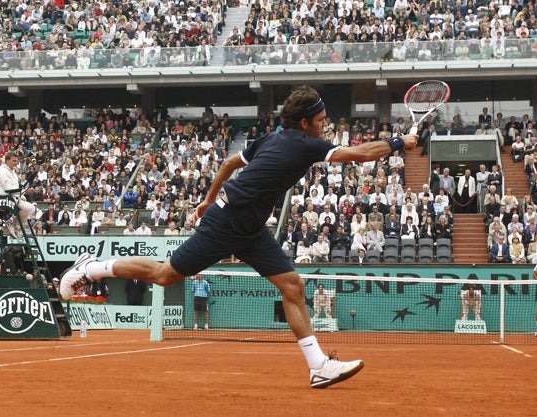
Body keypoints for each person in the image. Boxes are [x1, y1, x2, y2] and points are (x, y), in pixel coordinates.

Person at [60, 86, 417, 388]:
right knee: (164, 275)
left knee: (292, 286)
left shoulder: (272, 137)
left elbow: (231, 163)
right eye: (321, 120)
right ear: (306, 122)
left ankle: (318, 366)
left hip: (250, 229)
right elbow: (359, 155)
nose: (325, 126)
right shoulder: (304, 145)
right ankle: (93, 268)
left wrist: (207, 198)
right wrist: (401, 141)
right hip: (226, 223)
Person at [0, 151, 43, 237]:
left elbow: (16, 190)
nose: (17, 162)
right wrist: (23, 191)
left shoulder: (14, 173)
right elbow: (8, 189)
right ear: (7, 161)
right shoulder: (3, 172)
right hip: (3, 199)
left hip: (13, 198)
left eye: (17, 161)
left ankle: (16, 225)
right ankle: (11, 222)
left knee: (31, 208)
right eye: (14, 161)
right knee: (26, 206)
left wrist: (24, 192)